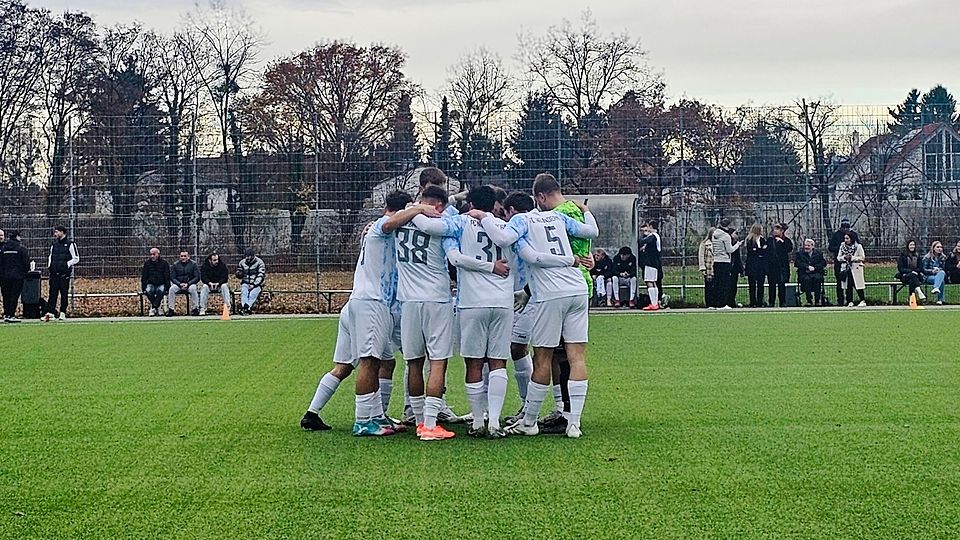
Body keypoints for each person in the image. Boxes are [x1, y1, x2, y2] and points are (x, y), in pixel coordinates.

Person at [472, 174, 599, 439]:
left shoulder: (521, 221)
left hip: (552, 294)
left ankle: (529, 421)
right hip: (577, 290)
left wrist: (485, 218)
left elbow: (524, 251)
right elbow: (591, 232)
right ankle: (573, 422)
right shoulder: (558, 217)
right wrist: (586, 212)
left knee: (542, 357)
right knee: (577, 357)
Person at [301, 190, 423, 436]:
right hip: (371, 303)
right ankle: (363, 421)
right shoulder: (382, 226)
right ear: (403, 209)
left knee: (364, 363)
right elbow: (390, 222)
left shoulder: (376, 228)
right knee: (370, 362)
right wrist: (418, 209)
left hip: (359, 303)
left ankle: (320, 414)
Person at [441, 185, 516, 439]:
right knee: (498, 362)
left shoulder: (458, 223)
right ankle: (494, 421)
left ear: (470, 203)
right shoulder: (505, 226)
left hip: (472, 301)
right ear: (494, 203)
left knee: (473, 362)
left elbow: (454, 258)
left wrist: (487, 267)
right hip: (503, 301)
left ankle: (477, 421)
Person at [42, 226, 80, 321]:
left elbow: (76, 258)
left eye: (57, 232)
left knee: (64, 293)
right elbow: (51, 256)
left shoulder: (70, 244)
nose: (55, 234)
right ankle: (50, 313)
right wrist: (50, 266)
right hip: (54, 274)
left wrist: (66, 265)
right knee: (52, 294)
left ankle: (63, 312)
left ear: (62, 232)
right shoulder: (54, 245)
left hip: (64, 274)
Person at [712, 219, 742, 309]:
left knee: (717, 283)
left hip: (716, 260)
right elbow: (730, 250)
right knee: (724, 283)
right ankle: (722, 303)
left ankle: (716, 302)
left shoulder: (714, 235)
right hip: (724, 261)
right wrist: (737, 245)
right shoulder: (726, 236)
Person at [828, 218, 860, 306]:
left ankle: (850, 300)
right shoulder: (836, 235)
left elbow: (858, 247)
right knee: (840, 281)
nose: (845, 229)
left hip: (852, 264)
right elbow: (831, 247)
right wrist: (841, 250)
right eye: (844, 227)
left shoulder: (853, 235)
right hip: (839, 263)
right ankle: (840, 300)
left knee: (851, 282)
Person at [1, 230, 30, 322]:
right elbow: (26, 263)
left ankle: (6, 314)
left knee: (6, 295)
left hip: (4, 276)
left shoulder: (3, 249)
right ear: (17, 237)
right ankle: (11, 314)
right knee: (14, 296)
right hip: (17, 277)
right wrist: (24, 273)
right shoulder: (21, 249)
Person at [638, 219, 663, 311]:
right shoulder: (656, 236)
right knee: (653, 282)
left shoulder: (652, 236)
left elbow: (641, 241)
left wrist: (641, 234)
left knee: (649, 282)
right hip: (655, 263)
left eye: (648, 227)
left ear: (651, 227)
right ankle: (655, 302)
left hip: (650, 263)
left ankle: (653, 303)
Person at [766, 223, 793, 307]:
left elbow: (789, 249)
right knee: (772, 285)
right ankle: (771, 302)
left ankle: (783, 301)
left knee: (782, 284)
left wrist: (782, 242)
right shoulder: (770, 240)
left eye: (778, 229)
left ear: (782, 231)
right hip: (772, 266)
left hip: (782, 266)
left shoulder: (786, 240)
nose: (775, 231)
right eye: (775, 229)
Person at [167, 250, 201, 316]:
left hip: (190, 284)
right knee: (172, 289)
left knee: (193, 289)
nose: (183, 258)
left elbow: (197, 277)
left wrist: (188, 284)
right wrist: (179, 284)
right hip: (178, 284)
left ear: (188, 257)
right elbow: (172, 277)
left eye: (185, 256)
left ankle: (195, 309)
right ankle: (171, 309)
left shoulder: (193, 264)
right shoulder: (175, 265)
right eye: (181, 256)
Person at [837, 232, 866, 307]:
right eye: (845, 238)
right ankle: (849, 301)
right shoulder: (842, 246)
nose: (846, 240)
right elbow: (838, 257)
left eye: (847, 238)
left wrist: (852, 258)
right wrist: (844, 258)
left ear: (851, 239)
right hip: (846, 268)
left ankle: (862, 300)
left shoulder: (858, 246)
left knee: (858, 285)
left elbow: (862, 257)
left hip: (856, 268)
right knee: (848, 285)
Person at [795, 239, 826, 306]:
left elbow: (823, 263)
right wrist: (807, 266)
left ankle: (817, 300)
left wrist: (815, 268)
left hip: (815, 272)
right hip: (805, 273)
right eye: (805, 245)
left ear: (812, 246)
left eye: (808, 245)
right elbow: (797, 263)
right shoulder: (800, 254)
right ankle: (809, 300)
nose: (806, 247)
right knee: (806, 279)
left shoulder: (819, 254)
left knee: (817, 279)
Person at [141, 248, 170, 316]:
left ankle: (154, 307)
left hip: (161, 283)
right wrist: (143, 287)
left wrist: (168, 286)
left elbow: (167, 276)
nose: (152, 256)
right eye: (151, 254)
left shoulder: (164, 263)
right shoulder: (147, 264)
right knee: (148, 290)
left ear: (158, 254)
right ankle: (157, 307)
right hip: (151, 283)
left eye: (154, 254)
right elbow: (144, 276)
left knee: (161, 290)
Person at [744, 224, 766, 308]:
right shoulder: (750, 240)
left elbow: (764, 250)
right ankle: (753, 301)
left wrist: (760, 251)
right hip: (752, 265)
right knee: (752, 284)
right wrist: (760, 250)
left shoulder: (762, 239)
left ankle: (760, 301)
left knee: (761, 284)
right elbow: (752, 252)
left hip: (761, 266)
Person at [236, 249, 266, 315]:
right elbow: (238, 272)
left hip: (257, 284)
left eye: (248, 256)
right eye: (246, 256)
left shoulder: (260, 262)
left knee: (253, 293)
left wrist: (254, 284)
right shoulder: (242, 262)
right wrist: (239, 274)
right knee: (244, 291)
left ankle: (246, 308)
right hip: (245, 283)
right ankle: (246, 307)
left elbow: (261, 275)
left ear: (252, 256)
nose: (247, 258)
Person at [922, 241, 947, 305]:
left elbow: (945, 269)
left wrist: (938, 269)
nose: (940, 249)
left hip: (940, 275)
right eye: (937, 247)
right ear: (933, 248)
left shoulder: (943, 257)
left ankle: (936, 288)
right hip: (929, 276)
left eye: (941, 247)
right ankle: (940, 299)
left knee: (941, 273)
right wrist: (932, 271)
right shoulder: (927, 257)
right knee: (941, 280)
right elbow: (924, 270)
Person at [698, 227, 715, 308]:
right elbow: (701, 256)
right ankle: (709, 303)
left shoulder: (718, 243)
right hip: (708, 267)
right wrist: (702, 268)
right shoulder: (704, 244)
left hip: (715, 267)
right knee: (708, 285)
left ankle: (715, 302)